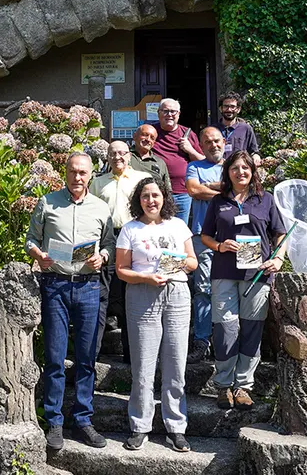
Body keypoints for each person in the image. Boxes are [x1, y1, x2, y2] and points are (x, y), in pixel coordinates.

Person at [25, 152, 115, 451]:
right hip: (56, 286)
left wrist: (102, 256)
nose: (78, 177)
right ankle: (54, 421)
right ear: (65, 172)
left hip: (89, 287)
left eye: (83, 173)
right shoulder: (48, 202)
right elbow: (31, 240)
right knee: (54, 358)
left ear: (91, 175)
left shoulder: (101, 208)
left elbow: (108, 244)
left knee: (87, 358)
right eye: (73, 172)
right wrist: (39, 256)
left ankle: (83, 420)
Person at [116, 176, 197, 453]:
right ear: (138, 200)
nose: (151, 200)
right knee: (143, 364)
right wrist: (146, 278)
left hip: (176, 294)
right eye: (145, 196)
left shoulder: (178, 225)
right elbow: (121, 270)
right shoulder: (130, 229)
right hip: (142, 294)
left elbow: (193, 262)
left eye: (156, 195)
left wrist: (177, 264)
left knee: (175, 362)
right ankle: (140, 426)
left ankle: (176, 426)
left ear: (165, 198)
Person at [200, 150, 287, 411]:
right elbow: (205, 236)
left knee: (251, 330)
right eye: (235, 168)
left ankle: (243, 387)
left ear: (253, 171)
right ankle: (224, 385)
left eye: (245, 168)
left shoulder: (266, 200)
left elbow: (280, 234)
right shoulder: (218, 202)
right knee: (225, 329)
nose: (241, 172)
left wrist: (279, 259)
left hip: (257, 275)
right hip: (224, 273)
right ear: (227, 172)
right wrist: (219, 246)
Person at [90, 141, 151, 363]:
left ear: (129, 155)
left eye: (122, 153)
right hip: (106, 238)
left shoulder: (141, 180)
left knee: (130, 295)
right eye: (113, 153)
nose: (118, 157)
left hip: (133, 237)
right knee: (102, 293)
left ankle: (131, 354)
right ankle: (92, 354)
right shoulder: (97, 182)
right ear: (107, 156)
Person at [184, 127, 225, 364]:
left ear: (224, 141)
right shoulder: (195, 167)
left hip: (232, 237)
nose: (213, 145)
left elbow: (242, 189)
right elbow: (193, 189)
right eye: (207, 142)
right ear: (201, 145)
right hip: (203, 236)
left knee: (233, 288)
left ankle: (226, 340)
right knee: (203, 289)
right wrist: (224, 188)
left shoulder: (234, 165)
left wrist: (210, 188)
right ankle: (202, 341)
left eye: (216, 140)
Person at [151, 98, 204, 224]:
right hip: (156, 192)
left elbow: (202, 162)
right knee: (157, 230)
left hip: (182, 193)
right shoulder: (151, 132)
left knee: (180, 230)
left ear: (179, 114)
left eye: (173, 111)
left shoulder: (188, 134)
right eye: (165, 111)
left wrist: (190, 150)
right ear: (158, 113)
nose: (169, 115)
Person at [217, 92, 261, 165]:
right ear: (221, 108)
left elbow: (254, 151)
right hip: (217, 168)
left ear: (238, 109)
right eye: (226, 106)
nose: (229, 109)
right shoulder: (213, 130)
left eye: (232, 106)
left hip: (239, 170)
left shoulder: (246, 128)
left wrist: (256, 156)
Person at [130, 124, 171, 189]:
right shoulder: (124, 156)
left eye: (152, 138)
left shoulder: (160, 163)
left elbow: (167, 190)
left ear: (154, 142)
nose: (148, 139)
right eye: (145, 135)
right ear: (134, 136)